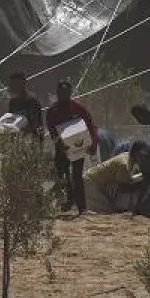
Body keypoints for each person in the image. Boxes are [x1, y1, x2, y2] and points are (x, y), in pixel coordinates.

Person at [45, 80, 97, 215]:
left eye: (66, 92)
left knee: (77, 176)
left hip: (78, 149)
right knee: (61, 176)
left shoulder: (79, 108)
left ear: (70, 93)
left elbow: (90, 125)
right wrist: (58, 143)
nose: (63, 95)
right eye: (61, 93)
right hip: (61, 148)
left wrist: (94, 143)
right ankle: (63, 204)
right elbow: (51, 129)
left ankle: (82, 208)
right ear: (57, 93)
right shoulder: (52, 110)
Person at [6, 71, 45, 136]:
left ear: (22, 84)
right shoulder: (12, 102)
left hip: (33, 139)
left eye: (13, 84)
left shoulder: (31, 100)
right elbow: (11, 121)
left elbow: (34, 124)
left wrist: (18, 134)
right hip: (20, 140)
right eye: (10, 84)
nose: (10, 87)